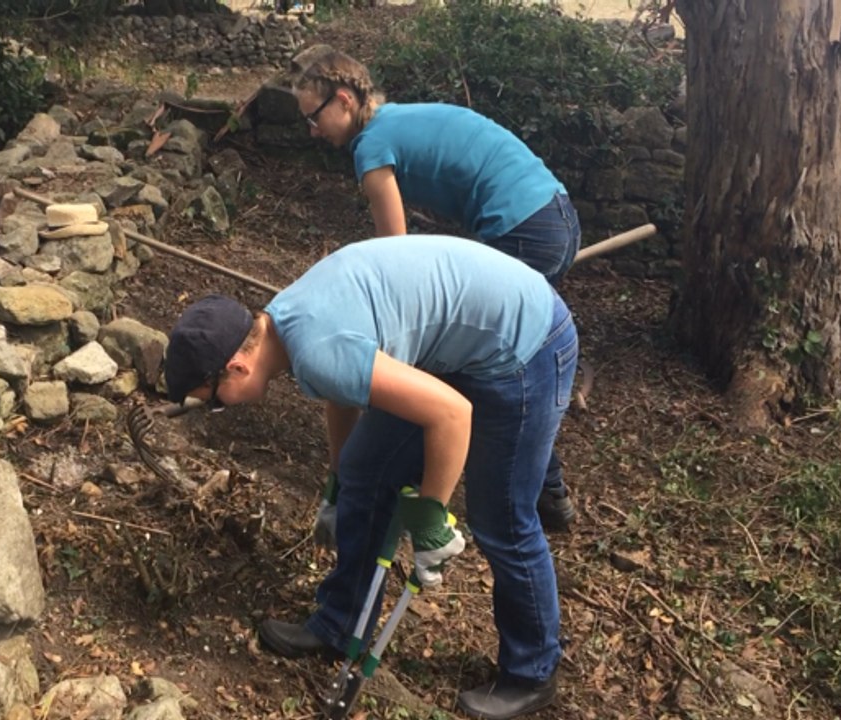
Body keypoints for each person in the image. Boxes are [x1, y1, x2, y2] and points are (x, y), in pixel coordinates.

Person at [164, 235, 577, 720]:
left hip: (526, 344)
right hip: (462, 345)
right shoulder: (285, 322)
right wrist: (339, 485)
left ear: (236, 366)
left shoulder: (316, 348)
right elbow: (345, 388)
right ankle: (341, 625)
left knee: (501, 518)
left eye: (214, 400)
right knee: (366, 471)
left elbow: (451, 414)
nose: (220, 408)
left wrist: (430, 520)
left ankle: (532, 672)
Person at [293, 49, 581, 533]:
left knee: (486, 359)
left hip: (523, 227)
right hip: (555, 214)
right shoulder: (393, 120)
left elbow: (395, 258)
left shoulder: (371, 147)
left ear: (343, 100)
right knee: (503, 354)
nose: (312, 130)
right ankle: (541, 490)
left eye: (314, 117)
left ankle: (426, 482)